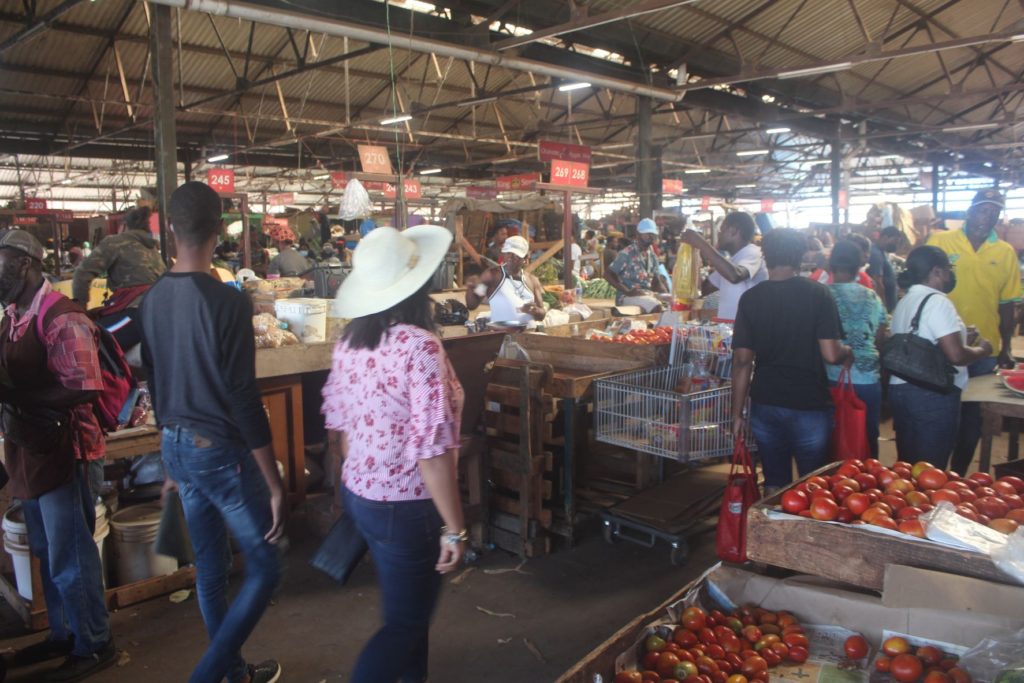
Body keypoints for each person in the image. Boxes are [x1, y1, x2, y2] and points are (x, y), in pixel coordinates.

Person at [139, 182, 285, 683]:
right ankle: (209, 673)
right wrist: (273, 482)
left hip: (178, 448)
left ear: (171, 229)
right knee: (265, 565)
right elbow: (243, 399)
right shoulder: (228, 303)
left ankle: (234, 673)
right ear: (220, 231)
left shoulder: (153, 298)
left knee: (210, 569)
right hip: (218, 454)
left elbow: (154, 383)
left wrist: (168, 461)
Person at [322, 225, 465, 683]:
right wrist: (456, 527)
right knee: (404, 624)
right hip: (407, 506)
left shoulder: (350, 343)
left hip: (363, 495)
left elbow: (342, 429)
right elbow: (431, 451)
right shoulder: (419, 346)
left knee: (408, 613)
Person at [0, 229, 115, 682]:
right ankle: (64, 632)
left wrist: (26, 398)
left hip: (67, 450)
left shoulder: (61, 318)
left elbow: (84, 385)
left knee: (71, 554)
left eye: (3, 265)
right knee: (47, 550)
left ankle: (95, 642)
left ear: (26, 264)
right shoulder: (13, 314)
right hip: (31, 446)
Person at [731, 229, 852, 493]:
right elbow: (831, 354)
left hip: (766, 402)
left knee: (774, 482)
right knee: (813, 487)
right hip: (809, 404)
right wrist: (848, 352)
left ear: (765, 256)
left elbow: (742, 362)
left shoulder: (751, 298)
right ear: (800, 257)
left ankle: (773, 530)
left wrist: (736, 412)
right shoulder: (818, 294)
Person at [928, 189, 1021, 474]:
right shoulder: (940, 241)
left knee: (973, 419)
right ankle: (934, 473)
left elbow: (1008, 305)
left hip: (983, 349)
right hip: (940, 343)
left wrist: (1005, 346)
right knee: (939, 413)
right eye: (983, 209)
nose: (988, 216)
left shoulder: (1004, 252)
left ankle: (956, 474)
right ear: (970, 211)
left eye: (994, 211)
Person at [889, 246, 992, 469]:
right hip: (931, 395)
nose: (949, 275)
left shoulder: (906, 301)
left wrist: (964, 335)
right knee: (930, 470)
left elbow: (925, 338)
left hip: (901, 390)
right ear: (937, 271)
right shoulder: (938, 301)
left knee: (908, 466)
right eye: (948, 269)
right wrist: (983, 350)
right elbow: (955, 354)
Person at [824, 241, 889, 457]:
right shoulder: (872, 296)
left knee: (833, 440)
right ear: (857, 267)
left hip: (832, 378)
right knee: (867, 438)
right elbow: (880, 337)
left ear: (831, 265)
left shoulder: (823, 295)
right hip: (869, 379)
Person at [679, 211, 767, 323]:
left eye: (721, 230)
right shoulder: (731, 262)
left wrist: (702, 244)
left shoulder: (754, 252)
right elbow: (704, 289)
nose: (719, 235)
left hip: (748, 328)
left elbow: (735, 276)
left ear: (734, 230)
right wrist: (694, 257)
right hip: (728, 330)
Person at [71, 206, 166, 310]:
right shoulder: (152, 248)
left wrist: (80, 308)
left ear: (124, 226)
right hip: (161, 305)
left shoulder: (114, 242)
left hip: (132, 308)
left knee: (99, 322)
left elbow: (81, 274)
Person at [466, 235, 546, 324]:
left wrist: (534, 311)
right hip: (503, 335)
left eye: (516, 255)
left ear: (526, 259)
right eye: (508, 253)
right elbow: (471, 305)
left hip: (528, 334)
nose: (510, 257)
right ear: (503, 254)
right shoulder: (492, 276)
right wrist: (471, 288)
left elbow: (542, 314)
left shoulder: (533, 281)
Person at [605, 218, 667, 313]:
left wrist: (667, 296)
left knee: (668, 307)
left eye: (652, 234)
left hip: (646, 295)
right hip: (627, 297)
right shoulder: (626, 253)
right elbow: (608, 274)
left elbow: (656, 281)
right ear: (638, 235)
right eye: (646, 234)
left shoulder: (652, 256)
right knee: (656, 306)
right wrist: (627, 291)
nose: (650, 237)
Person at [809, 236, 875, 289]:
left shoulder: (864, 278)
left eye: (868, 251)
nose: (867, 255)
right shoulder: (819, 277)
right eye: (862, 251)